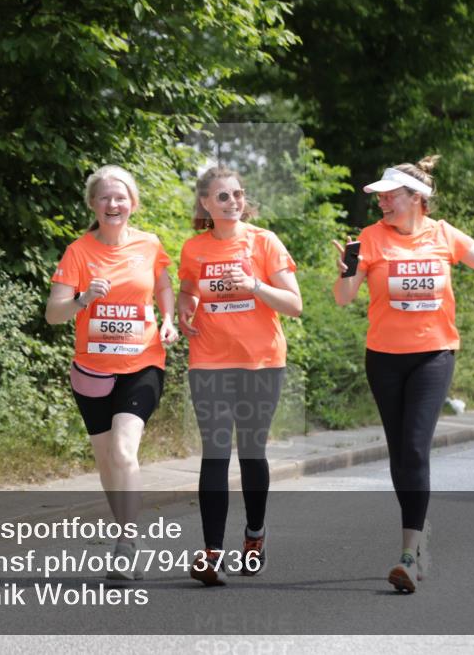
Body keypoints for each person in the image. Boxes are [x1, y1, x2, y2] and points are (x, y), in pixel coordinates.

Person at [331, 155, 474, 593]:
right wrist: (346, 272)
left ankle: (408, 552)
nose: (382, 202)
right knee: (400, 454)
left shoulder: (443, 235)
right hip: (383, 358)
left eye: (390, 195)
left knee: (416, 449)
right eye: (380, 196)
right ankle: (418, 533)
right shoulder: (370, 238)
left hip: (433, 356)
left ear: (416, 198)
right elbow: (344, 298)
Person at [46, 165, 178, 580]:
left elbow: (163, 286)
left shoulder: (149, 245)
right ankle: (127, 535)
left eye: (120, 197)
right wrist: (83, 299)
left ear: (132, 203)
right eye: (104, 197)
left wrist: (169, 319)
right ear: (92, 204)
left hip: (143, 363)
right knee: (106, 463)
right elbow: (53, 314)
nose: (113, 204)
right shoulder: (78, 252)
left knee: (123, 451)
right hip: (92, 370)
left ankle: (127, 544)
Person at [178, 166, 302, 586]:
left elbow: (294, 304)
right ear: (205, 203)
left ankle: (254, 536)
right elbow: (189, 289)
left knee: (251, 452)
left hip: (260, 362)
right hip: (208, 360)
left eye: (237, 194)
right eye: (223, 196)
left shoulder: (264, 242)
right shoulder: (194, 248)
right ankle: (212, 553)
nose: (233, 202)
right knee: (215, 453)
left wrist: (254, 286)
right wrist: (185, 306)